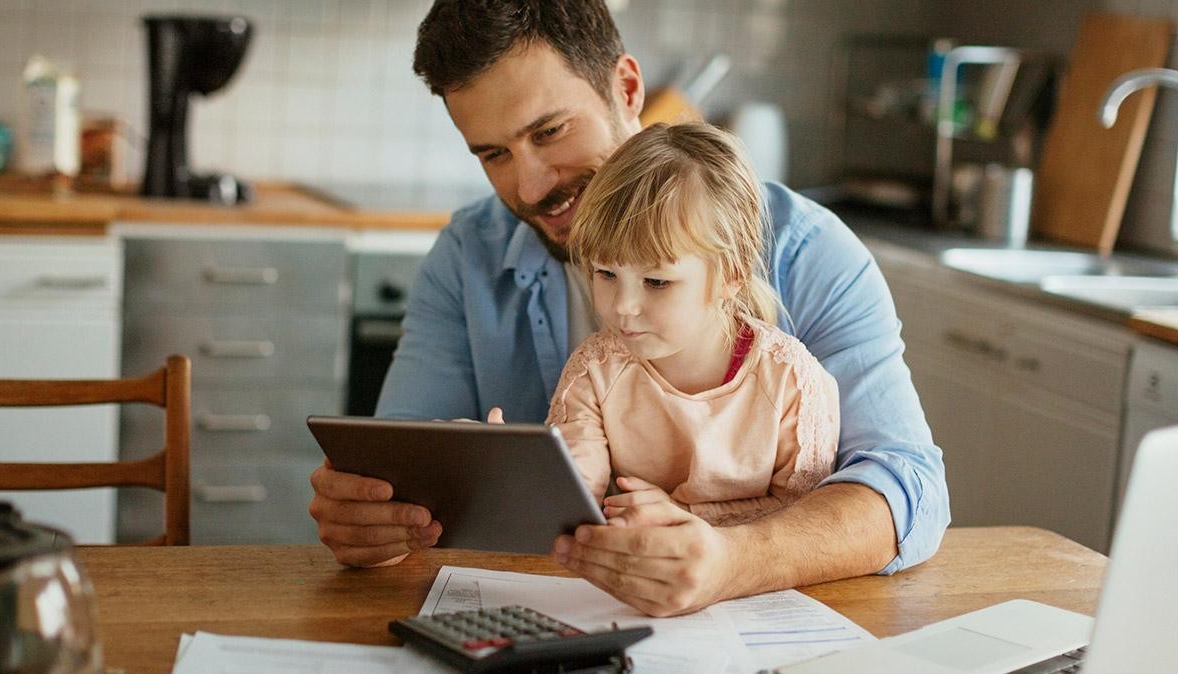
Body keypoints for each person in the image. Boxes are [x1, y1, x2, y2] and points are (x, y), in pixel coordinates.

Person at [308, 0, 949, 617]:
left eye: (549, 131)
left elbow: (908, 489)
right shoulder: (468, 257)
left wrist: (731, 559)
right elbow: (402, 457)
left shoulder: (808, 253)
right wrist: (372, 512)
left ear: (627, 88)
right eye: (493, 154)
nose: (530, 187)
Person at [549, 122, 841, 533]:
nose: (623, 307)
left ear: (731, 275)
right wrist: (525, 471)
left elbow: (800, 520)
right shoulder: (595, 371)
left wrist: (683, 518)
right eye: (605, 273)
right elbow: (578, 487)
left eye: (656, 282)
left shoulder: (789, 380)